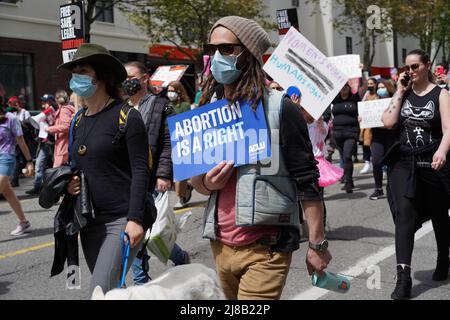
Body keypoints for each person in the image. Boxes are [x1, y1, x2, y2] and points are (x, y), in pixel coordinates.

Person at [191, 16, 331, 300]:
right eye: (213, 48)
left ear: (249, 53)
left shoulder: (281, 109)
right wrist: (207, 182)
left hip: (266, 248)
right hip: (220, 247)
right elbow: (197, 182)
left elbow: (307, 179)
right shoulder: (209, 111)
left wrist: (317, 244)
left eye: (227, 49)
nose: (218, 56)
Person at [59, 43, 152, 295]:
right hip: (89, 223)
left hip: (120, 221)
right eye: (73, 71)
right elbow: (76, 166)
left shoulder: (127, 117)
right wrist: (69, 183)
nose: (75, 76)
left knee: (99, 292)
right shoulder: (78, 119)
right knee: (112, 293)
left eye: (82, 70)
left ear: (100, 76)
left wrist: (134, 219)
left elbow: (141, 171)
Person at [381, 49, 450, 299]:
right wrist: (399, 92)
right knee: (405, 216)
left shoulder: (441, 94)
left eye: (415, 67)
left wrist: (442, 151)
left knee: (440, 214)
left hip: (433, 162)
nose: (410, 72)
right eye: (407, 67)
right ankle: (403, 278)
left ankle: (444, 257)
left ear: (426, 65)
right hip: (404, 163)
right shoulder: (404, 93)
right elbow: (388, 122)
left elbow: (448, 129)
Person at [123, 61, 190, 286]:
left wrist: (164, 174)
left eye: (130, 76)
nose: (126, 82)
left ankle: (141, 282)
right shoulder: (121, 108)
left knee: (145, 232)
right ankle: (179, 257)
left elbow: (169, 143)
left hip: (151, 179)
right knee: (138, 231)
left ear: (144, 78)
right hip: (126, 180)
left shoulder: (160, 106)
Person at [0, 105, 34, 235]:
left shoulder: (11, 119)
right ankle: (24, 222)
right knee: (8, 193)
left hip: (6, 158)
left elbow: (21, 141)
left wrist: (29, 161)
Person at [167, 80, 194, 209]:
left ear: (179, 91)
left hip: (182, 141)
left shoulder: (185, 106)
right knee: (171, 172)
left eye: (172, 90)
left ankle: (181, 198)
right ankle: (187, 187)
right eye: (168, 90)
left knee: (180, 172)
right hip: (169, 140)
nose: (169, 93)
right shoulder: (167, 105)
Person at [331, 83, 361, 193]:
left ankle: (348, 181)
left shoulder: (355, 99)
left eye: (346, 86)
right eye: (341, 86)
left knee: (348, 156)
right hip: (337, 133)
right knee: (343, 157)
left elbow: (363, 93)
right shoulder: (335, 100)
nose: (344, 88)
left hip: (351, 132)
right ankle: (348, 178)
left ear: (349, 88)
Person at [368, 79, 396, 200]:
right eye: (378, 87)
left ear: (388, 88)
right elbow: (367, 117)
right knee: (376, 162)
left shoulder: (395, 102)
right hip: (377, 137)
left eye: (383, 87)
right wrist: (362, 118)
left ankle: (393, 186)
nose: (380, 89)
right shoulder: (372, 103)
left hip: (391, 137)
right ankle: (378, 188)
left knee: (392, 163)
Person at [25, 94, 56, 195]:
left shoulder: (53, 112)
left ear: (51, 102)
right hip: (44, 143)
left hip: (52, 143)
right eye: (42, 102)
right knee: (39, 165)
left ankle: (55, 188)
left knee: (54, 166)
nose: (43, 104)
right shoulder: (46, 112)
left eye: (45, 102)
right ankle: (38, 187)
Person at [7, 96, 32, 187]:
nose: (10, 106)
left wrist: (29, 161)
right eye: (9, 104)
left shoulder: (24, 113)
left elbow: (29, 125)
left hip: (24, 139)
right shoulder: (9, 114)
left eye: (12, 104)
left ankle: (14, 179)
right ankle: (14, 179)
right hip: (14, 142)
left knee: (18, 160)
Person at [45, 90, 75, 167]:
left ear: (56, 99)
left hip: (63, 146)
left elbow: (67, 126)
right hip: (63, 144)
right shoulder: (66, 109)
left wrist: (49, 129)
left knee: (57, 173)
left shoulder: (64, 110)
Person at [359, 78, 378, 174]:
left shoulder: (379, 95)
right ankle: (367, 162)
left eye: (372, 83)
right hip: (367, 125)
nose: (370, 85)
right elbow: (362, 109)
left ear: (375, 84)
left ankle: (381, 167)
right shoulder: (365, 96)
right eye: (368, 83)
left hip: (378, 125)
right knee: (366, 143)